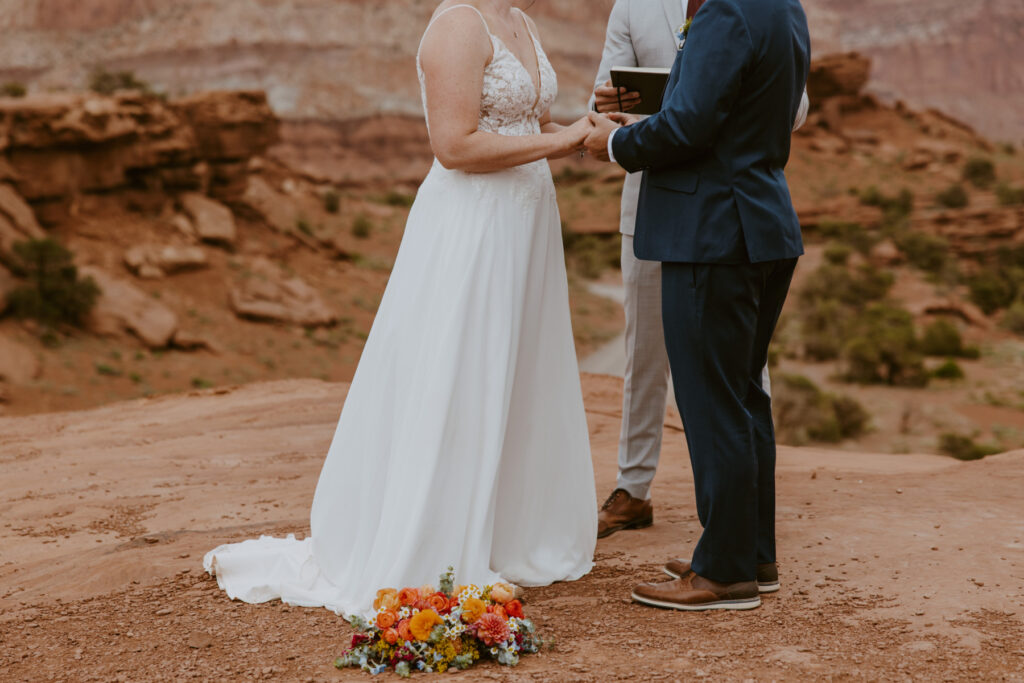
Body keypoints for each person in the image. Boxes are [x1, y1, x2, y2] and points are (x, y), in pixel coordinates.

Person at [203, 0, 598, 618]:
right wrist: (568, 138)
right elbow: (454, 145)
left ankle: (508, 534)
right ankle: (436, 536)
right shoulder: (458, 24)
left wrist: (589, 130)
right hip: (474, 225)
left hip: (528, 222)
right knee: (460, 372)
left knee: (518, 371)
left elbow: (533, 130)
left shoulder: (522, 20)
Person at [584, 0, 810, 610]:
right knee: (742, 395)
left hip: (711, 232)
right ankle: (752, 555)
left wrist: (615, 142)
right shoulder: (782, 8)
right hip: (760, 224)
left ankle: (724, 572)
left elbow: (688, 125)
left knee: (712, 401)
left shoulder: (725, 15)